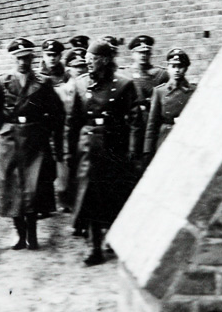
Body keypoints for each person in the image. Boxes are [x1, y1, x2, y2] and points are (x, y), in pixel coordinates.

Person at [66, 39, 142, 266]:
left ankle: (114, 238)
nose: (89, 64)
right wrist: (69, 152)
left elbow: (136, 121)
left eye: (94, 60)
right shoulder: (80, 84)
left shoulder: (124, 84)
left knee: (114, 194)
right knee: (89, 195)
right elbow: (73, 121)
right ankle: (93, 245)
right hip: (89, 149)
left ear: (106, 60)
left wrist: (133, 151)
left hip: (115, 147)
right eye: (87, 60)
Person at [0, 38, 64, 250]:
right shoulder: (2, 82)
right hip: (11, 143)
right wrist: (3, 130)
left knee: (33, 189)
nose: (23, 62)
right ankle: (20, 236)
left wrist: (44, 130)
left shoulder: (43, 82)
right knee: (13, 189)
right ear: (14, 59)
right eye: (19, 58)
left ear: (33, 58)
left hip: (34, 141)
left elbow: (57, 112)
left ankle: (33, 235)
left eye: (27, 58)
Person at [40, 38, 75, 213]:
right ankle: (44, 204)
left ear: (60, 56)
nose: (52, 59)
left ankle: (65, 198)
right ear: (43, 55)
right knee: (44, 163)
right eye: (48, 55)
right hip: (44, 124)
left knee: (63, 158)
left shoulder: (67, 75)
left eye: (55, 55)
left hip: (62, 122)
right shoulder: (38, 75)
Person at [144, 49, 196, 165]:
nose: (177, 70)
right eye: (173, 66)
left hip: (187, 138)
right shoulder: (159, 91)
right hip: (165, 138)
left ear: (186, 68)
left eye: (180, 66)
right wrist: (147, 149)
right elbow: (152, 124)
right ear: (168, 68)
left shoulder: (194, 91)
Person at [125, 34, 169, 161]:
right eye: (139, 52)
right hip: (132, 123)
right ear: (132, 54)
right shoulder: (124, 74)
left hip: (152, 121)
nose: (143, 55)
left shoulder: (161, 74)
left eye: (146, 52)